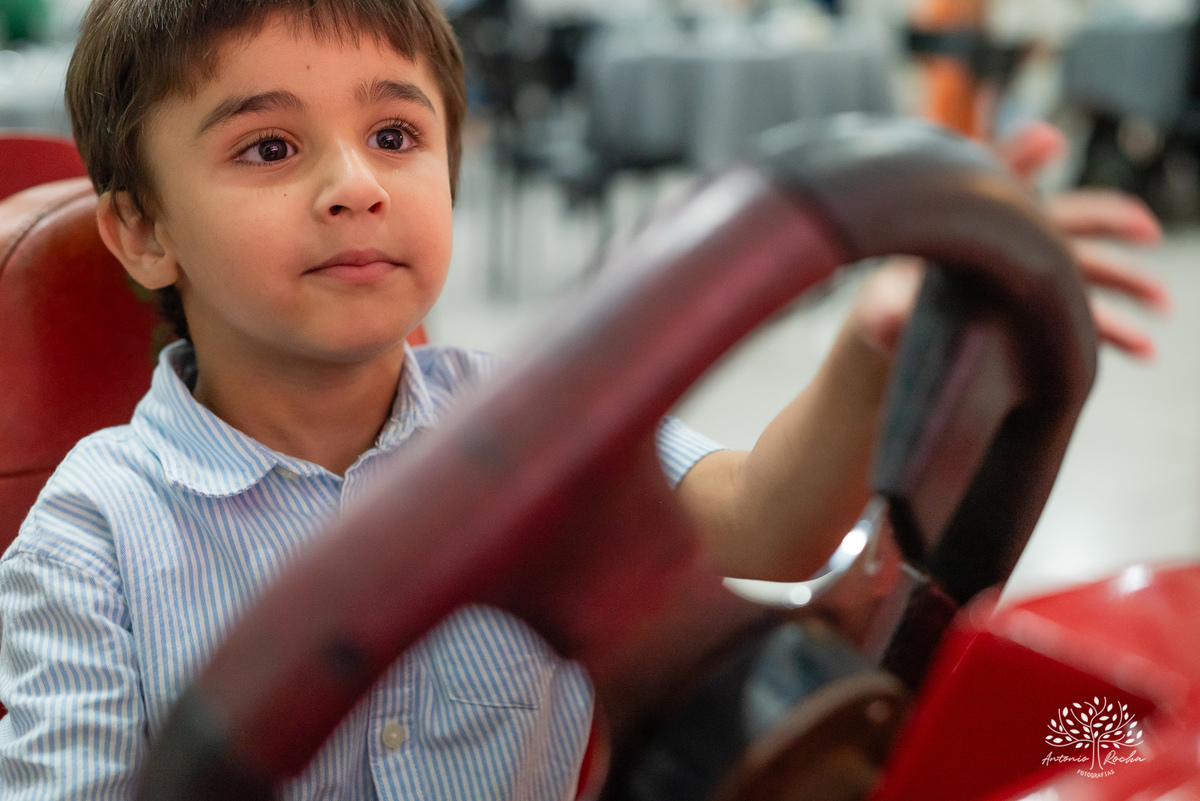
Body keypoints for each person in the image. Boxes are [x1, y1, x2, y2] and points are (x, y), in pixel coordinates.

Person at [0, 0, 1169, 798]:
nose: (355, 186)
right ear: (141, 230)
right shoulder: (89, 539)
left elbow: (762, 516)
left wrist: (872, 353)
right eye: (268, 149)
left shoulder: (528, 420)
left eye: (395, 134)